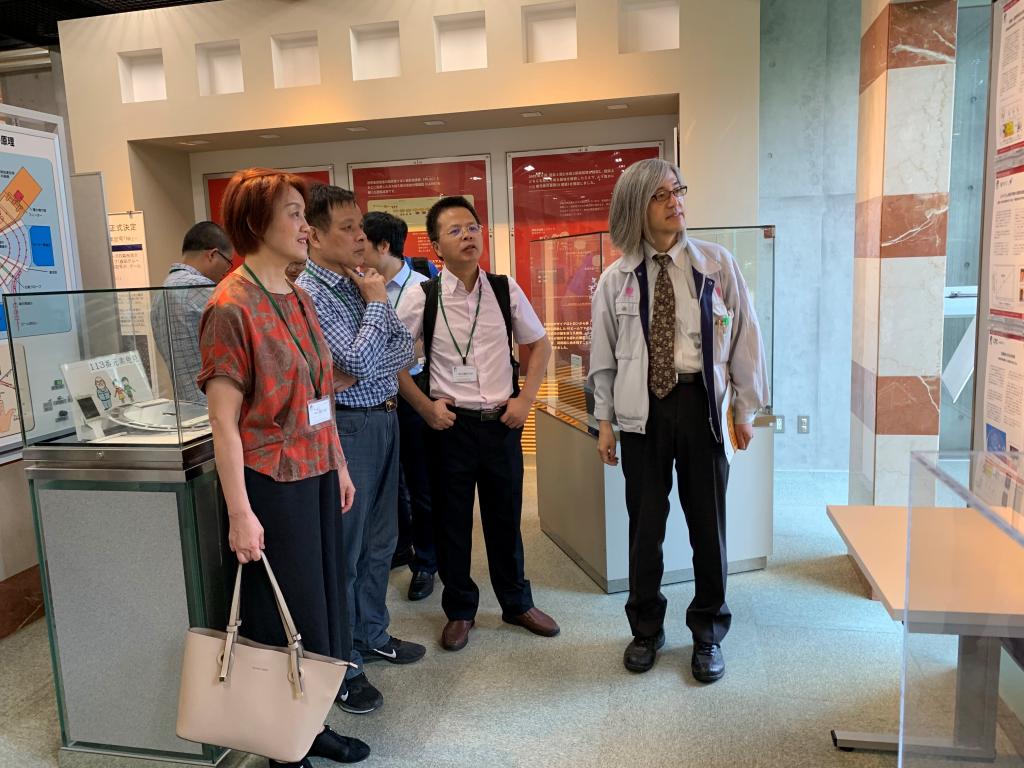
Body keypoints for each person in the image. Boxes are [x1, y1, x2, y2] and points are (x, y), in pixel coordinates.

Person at [197, 167, 369, 767]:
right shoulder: (230, 307)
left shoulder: (298, 296)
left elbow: (320, 394)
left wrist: (338, 463)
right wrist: (240, 514)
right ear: (256, 222)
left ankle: (312, 726)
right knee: (282, 616)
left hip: (316, 475)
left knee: (321, 611)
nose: (305, 227)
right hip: (271, 486)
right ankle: (284, 750)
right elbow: (224, 424)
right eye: (294, 215)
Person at [588, 158, 769, 684]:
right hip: (641, 412)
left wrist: (745, 409)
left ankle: (708, 631)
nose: (676, 202)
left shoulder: (716, 264)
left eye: (679, 190)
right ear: (637, 206)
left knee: (708, 526)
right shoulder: (616, 279)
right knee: (645, 528)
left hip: (701, 406)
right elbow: (603, 356)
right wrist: (604, 421)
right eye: (662, 195)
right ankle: (645, 629)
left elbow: (745, 338)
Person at [396, 195, 558, 652]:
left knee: (506, 517)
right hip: (451, 428)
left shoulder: (504, 289)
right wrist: (425, 407)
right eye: (455, 230)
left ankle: (516, 602)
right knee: (451, 522)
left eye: (472, 227)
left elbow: (540, 346)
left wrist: (526, 399)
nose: (468, 236)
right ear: (435, 246)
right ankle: (461, 609)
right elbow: (392, 362)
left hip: (501, 423)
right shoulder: (422, 297)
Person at [296, 186, 425, 716]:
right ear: (314, 235)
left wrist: (365, 350)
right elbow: (350, 363)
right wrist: (375, 307)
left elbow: (403, 351)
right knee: (346, 551)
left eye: (361, 227)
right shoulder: (312, 291)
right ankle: (343, 660)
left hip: (385, 417)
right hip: (346, 427)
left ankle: (372, 633)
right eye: (347, 228)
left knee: (381, 541)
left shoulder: (358, 281)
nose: (360, 237)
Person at [362, 211, 436, 601]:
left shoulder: (423, 290)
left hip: (413, 397)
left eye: (362, 241)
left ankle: (427, 561)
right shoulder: (360, 287)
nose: (356, 248)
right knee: (389, 483)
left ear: (383, 246)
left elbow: (422, 350)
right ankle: (402, 545)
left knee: (422, 485)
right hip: (374, 398)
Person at [151, 221, 233, 404]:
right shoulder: (200, 287)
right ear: (213, 255)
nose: (226, 271)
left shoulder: (159, 294)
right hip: (213, 403)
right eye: (228, 263)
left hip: (185, 406)